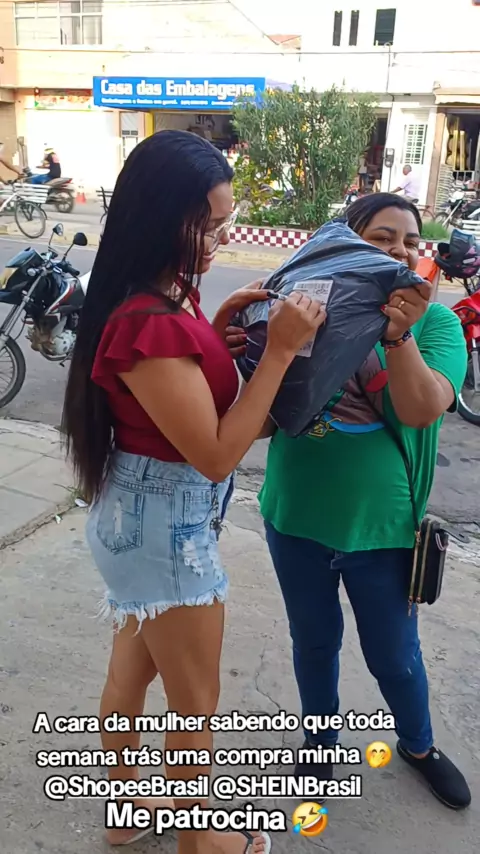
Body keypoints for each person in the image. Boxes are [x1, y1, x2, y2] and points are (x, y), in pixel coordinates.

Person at [62, 129, 325, 851]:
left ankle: (124, 811)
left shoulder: (157, 296)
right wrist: (279, 352)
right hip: (166, 529)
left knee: (133, 672)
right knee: (196, 702)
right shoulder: (145, 319)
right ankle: (199, 838)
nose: (217, 240)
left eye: (224, 224)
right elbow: (214, 454)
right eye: (205, 226)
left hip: (140, 518)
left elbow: (179, 394)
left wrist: (215, 332)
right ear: (159, 218)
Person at [255, 193, 471, 811]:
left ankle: (418, 745)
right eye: (382, 238)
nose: (400, 251)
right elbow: (264, 419)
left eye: (410, 241)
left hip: (384, 529)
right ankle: (319, 743)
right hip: (294, 516)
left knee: (394, 658)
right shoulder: (304, 310)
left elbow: (423, 409)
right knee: (313, 642)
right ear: (347, 242)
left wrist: (398, 338)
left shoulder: (437, 323)